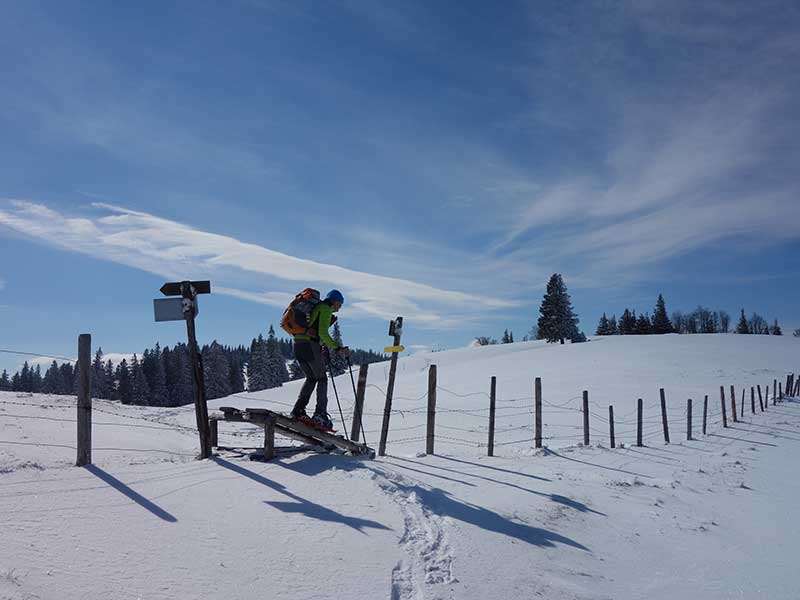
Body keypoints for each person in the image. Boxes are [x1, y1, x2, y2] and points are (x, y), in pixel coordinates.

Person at [290, 289, 350, 430]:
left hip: (298, 344)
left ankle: (298, 410)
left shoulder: (316, 308)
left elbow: (314, 329)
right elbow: (322, 332)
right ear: (334, 301)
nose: (339, 308)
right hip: (310, 345)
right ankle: (320, 414)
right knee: (322, 379)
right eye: (339, 304)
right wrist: (337, 348)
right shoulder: (325, 309)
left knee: (311, 378)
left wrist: (321, 345)